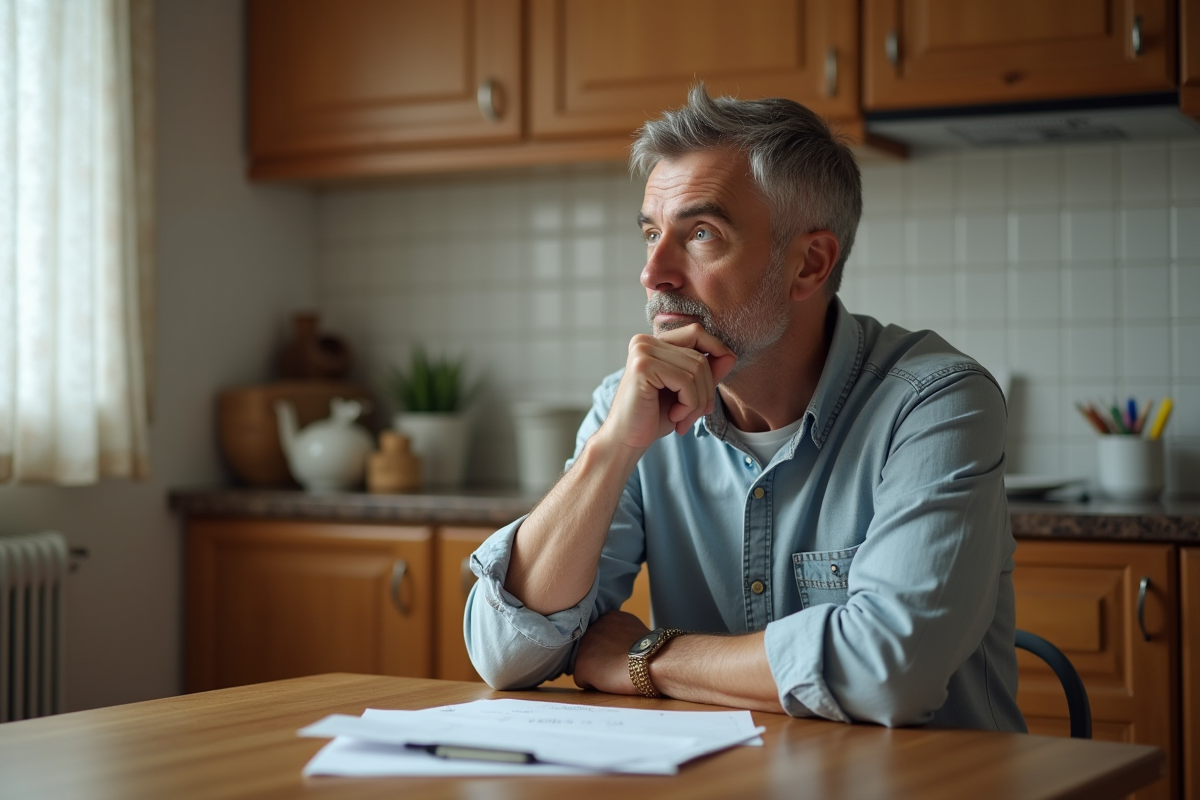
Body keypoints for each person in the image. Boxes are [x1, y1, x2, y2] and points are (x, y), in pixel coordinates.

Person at [464, 85, 1026, 731]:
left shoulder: (935, 401)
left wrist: (643, 658)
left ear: (809, 264)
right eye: (651, 233)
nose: (654, 273)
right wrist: (612, 449)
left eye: (701, 233)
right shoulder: (633, 404)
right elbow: (506, 655)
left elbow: (888, 674)